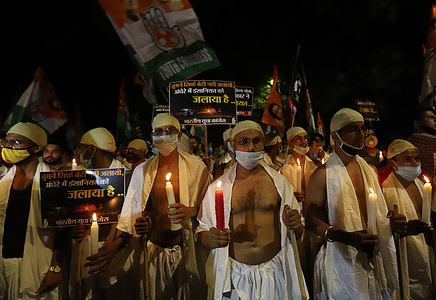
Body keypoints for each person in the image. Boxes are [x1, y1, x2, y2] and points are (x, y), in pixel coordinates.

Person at [92, 113, 211, 300]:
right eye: (158, 131)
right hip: (154, 252)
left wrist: (192, 211)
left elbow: (210, 210)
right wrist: (143, 222)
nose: (164, 135)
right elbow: (134, 213)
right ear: (152, 138)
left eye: (169, 130)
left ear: (179, 136)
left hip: (187, 253)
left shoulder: (197, 168)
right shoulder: (142, 171)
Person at [196, 120, 308, 300]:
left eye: (257, 141)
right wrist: (211, 238)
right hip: (235, 278)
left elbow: (298, 229)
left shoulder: (279, 184)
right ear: (233, 145)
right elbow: (202, 232)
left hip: (274, 274)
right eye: (244, 141)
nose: (251, 147)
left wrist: (296, 225)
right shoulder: (218, 188)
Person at [305, 108, 399, 299]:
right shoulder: (322, 174)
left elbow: (377, 213)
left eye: (362, 128)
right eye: (352, 129)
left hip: (374, 254)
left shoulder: (371, 170)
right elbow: (310, 220)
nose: (361, 134)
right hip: (342, 259)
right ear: (335, 135)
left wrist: (390, 222)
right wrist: (346, 237)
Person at [0, 122, 67, 299]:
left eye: (15, 143)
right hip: (5, 266)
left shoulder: (54, 183)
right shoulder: (2, 184)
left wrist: (55, 268)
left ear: (37, 147)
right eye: (6, 142)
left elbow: (63, 231)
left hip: (40, 267)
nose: (8, 147)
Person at [69, 127, 130, 300]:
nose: (79, 152)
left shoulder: (127, 177)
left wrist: (116, 243)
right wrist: (75, 228)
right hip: (86, 247)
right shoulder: (81, 177)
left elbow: (132, 218)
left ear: (92, 149)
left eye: (81, 148)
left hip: (117, 251)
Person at [382, 139, 434, 299]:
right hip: (405, 255)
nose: (414, 163)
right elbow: (382, 226)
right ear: (393, 162)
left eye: (417, 158)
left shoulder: (421, 184)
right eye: (407, 159)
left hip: (428, 248)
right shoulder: (386, 190)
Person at [281, 126, 317, 203]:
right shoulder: (285, 169)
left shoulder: (313, 165)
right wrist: (291, 196)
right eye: (298, 139)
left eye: (305, 138)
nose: (303, 141)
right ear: (290, 143)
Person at [408, 107, 436, 182]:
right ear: (417, 123)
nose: (435, 120)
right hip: (423, 184)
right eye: (430, 117)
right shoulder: (417, 138)